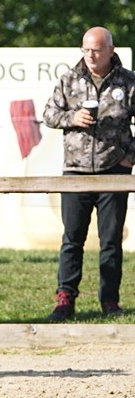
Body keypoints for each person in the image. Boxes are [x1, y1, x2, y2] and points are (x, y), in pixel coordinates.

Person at [43, 27, 135, 321]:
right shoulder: (69, 79)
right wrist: (72, 117)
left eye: (96, 50)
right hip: (75, 171)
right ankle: (65, 299)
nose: (91, 56)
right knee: (72, 239)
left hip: (114, 171)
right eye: (86, 50)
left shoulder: (128, 81)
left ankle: (110, 301)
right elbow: (48, 114)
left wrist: (129, 157)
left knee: (110, 241)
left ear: (111, 50)